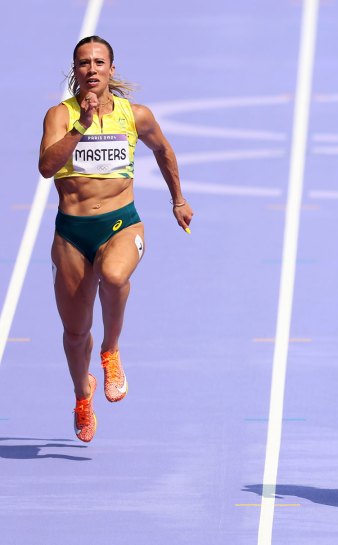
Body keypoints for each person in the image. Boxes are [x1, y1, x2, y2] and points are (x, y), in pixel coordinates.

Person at [38, 36, 193, 443]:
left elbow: (163, 150)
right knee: (74, 333)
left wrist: (178, 199)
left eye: (99, 62)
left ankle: (111, 351)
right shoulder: (59, 116)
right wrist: (81, 127)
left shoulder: (134, 115)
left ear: (111, 69)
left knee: (115, 274)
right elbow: (46, 167)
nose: (91, 69)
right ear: (75, 71)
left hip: (121, 224)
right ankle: (81, 395)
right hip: (71, 233)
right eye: (84, 63)